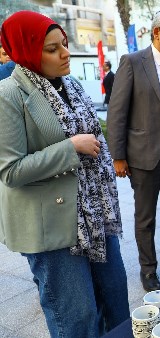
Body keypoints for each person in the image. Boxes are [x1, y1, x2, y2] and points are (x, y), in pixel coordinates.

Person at [0, 11, 129, 336]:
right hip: (52, 229)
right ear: (27, 51)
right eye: (52, 48)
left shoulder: (70, 85)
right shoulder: (8, 95)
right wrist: (70, 148)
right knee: (77, 319)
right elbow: (11, 170)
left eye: (65, 44)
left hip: (95, 214)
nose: (65, 53)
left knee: (116, 303)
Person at [107, 11, 160, 289]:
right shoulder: (132, 63)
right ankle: (148, 270)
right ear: (157, 32)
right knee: (146, 217)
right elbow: (117, 113)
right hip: (144, 155)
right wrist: (118, 157)